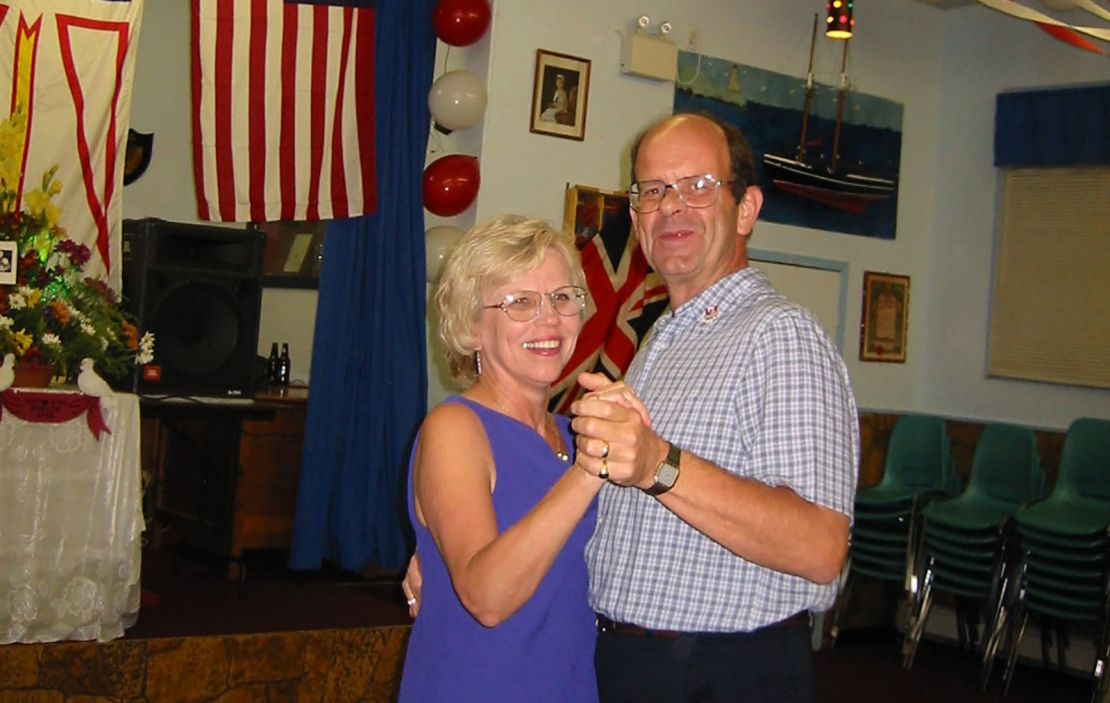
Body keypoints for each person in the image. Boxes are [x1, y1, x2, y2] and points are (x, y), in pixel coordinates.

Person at [568, 112, 859, 702]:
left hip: (719, 672)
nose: (671, 207)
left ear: (746, 209)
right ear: (637, 215)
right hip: (633, 660)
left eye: (698, 186)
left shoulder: (779, 336)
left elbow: (820, 547)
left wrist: (659, 465)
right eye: (653, 190)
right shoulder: (661, 340)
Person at [397, 214, 606, 702]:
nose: (549, 319)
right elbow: (487, 598)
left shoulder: (572, 434)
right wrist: (588, 471)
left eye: (561, 297)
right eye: (520, 303)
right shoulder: (456, 429)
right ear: (471, 328)